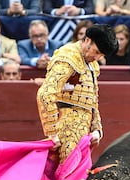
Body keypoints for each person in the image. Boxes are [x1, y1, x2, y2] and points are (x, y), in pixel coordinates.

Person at [37, 24, 118, 163]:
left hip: (83, 135)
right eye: (96, 51)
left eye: (101, 55)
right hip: (66, 132)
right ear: (87, 40)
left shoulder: (92, 65)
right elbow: (45, 94)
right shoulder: (68, 56)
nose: (97, 58)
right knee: (69, 179)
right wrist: (52, 133)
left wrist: (96, 129)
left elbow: (92, 101)